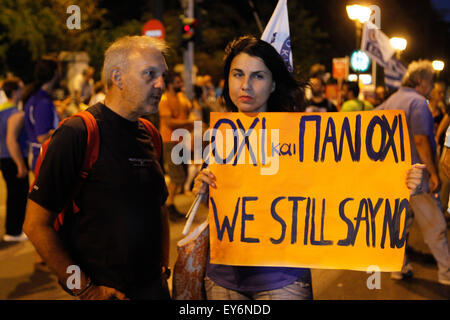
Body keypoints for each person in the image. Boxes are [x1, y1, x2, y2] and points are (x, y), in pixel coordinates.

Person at [193, 35, 425, 300]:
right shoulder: (221, 136)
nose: (245, 85)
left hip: (282, 282)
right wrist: (202, 187)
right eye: (238, 74)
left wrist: (402, 181)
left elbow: (350, 183)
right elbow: (218, 206)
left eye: (258, 76)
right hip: (223, 280)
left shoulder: (304, 137)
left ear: (272, 85)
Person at [23, 35, 171, 299]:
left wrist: (163, 267)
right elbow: (35, 225)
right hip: (106, 293)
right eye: (150, 74)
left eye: (162, 75)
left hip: (154, 289)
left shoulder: (150, 133)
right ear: (117, 77)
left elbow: (158, 206)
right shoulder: (78, 133)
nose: (160, 84)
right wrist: (87, 290)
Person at [376, 60, 450, 285]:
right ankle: (447, 274)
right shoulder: (418, 103)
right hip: (416, 176)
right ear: (420, 81)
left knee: (398, 225)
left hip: (392, 175)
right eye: (429, 82)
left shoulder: (388, 103)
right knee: (434, 226)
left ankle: (399, 268)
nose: (431, 87)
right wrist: (434, 174)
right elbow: (421, 140)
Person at [158, 71, 193, 220]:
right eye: (178, 82)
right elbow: (169, 122)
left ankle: (170, 206)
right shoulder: (164, 100)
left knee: (181, 175)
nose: (181, 84)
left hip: (182, 140)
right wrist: (188, 122)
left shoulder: (181, 97)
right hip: (170, 141)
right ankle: (168, 206)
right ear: (170, 84)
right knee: (176, 176)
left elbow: (190, 111)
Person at [0, 77, 28, 242]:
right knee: (18, 196)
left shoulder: (2, 111)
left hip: (4, 158)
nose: (24, 91)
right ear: (15, 91)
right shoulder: (15, 114)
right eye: (22, 88)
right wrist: (20, 165)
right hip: (14, 158)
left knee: (13, 195)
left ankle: (13, 230)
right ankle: (14, 231)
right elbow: (11, 140)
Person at [23, 58, 61, 171]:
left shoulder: (38, 97)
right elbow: (42, 136)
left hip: (41, 157)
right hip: (44, 158)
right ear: (54, 73)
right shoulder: (42, 102)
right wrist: (66, 130)